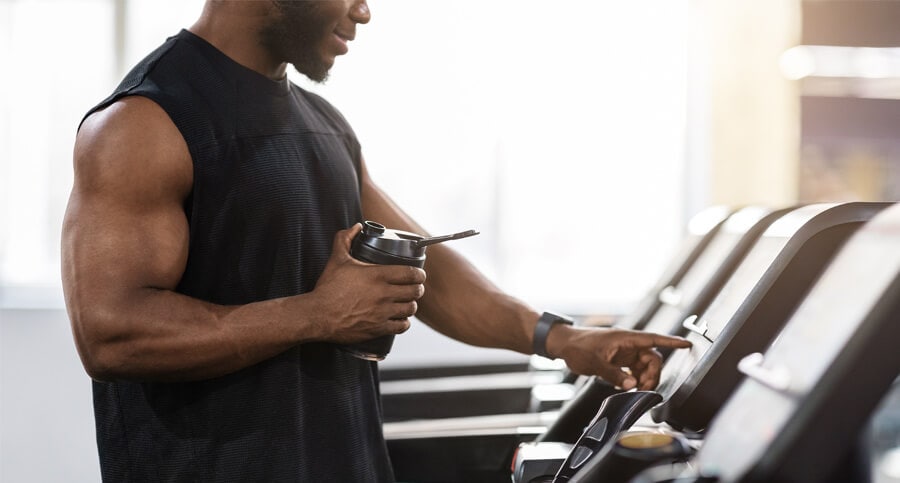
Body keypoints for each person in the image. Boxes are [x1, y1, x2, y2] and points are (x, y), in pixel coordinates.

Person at [61, 1, 692, 481]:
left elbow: (429, 264)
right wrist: (317, 315)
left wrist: (563, 339)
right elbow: (115, 332)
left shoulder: (323, 125)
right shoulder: (144, 122)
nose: (364, 11)